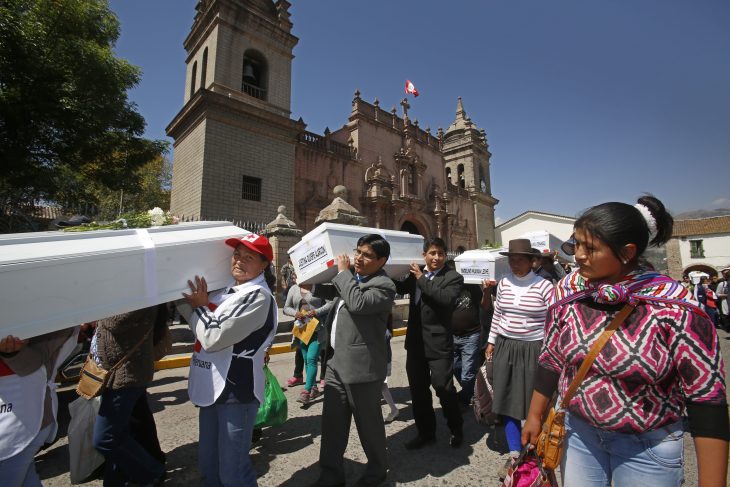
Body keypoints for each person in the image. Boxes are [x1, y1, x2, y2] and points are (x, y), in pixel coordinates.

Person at [522, 195, 729, 487]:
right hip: (579, 436)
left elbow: (706, 398)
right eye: (575, 244)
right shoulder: (568, 291)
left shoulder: (676, 306)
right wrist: (534, 416)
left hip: (648, 448)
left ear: (627, 252)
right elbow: (552, 357)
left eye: (590, 248)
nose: (578, 255)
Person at [181, 233, 278, 487]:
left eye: (248, 258)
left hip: (237, 392)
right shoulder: (223, 291)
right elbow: (191, 314)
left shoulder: (258, 296)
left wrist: (199, 307)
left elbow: (212, 336)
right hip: (211, 385)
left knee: (233, 472)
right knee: (209, 466)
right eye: (236, 255)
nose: (239, 261)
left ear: (264, 264)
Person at [313, 234, 396, 487]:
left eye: (367, 255)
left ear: (381, 260)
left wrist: (343, 272)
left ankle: (376, 473)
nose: (359, 258)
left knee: (369, 427)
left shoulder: (384, 285)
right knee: (332, 426)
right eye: (358, 251)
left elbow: (358, 303)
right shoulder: (353, 279)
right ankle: (330, 476)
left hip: (362, 369)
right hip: (336, 364)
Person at [485, 238, 553, 464]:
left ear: (532, 261)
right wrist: (492, 340)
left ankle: (535, 446)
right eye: (511, 259)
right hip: (505, 344)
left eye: (520, 260)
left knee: (533, 398)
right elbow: (497, 314)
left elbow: (553, 320)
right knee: (506, 396)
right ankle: (515, 451)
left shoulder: (544, 285)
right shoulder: (503, 283)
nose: (514, 264)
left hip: (534, 347)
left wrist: (550, 348)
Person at [395, 237, 465, 450]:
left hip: (438, 345)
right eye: (432, 253)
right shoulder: (415, 275)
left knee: (443, 388)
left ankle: (456, 428)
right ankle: (426, 432)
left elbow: (444, 299)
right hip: (415, 344)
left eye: (441, 253)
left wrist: (421, 278)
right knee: (418, 391)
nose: (436, 257)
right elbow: (397, 285)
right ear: (424, 254)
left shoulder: (453, 277)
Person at [92, 306, 166, 486]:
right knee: (122, 432)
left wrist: (93, 309)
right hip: (118, 373)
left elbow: (114, 322)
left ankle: (152, 471)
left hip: (127, 375)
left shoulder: (136, 291)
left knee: (105, 438)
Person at [0, 328, 77, 486]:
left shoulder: (48, 316)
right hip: (17, 417)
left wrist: (12, 352)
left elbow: (33, 362)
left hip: (23, 420)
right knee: (27, 478)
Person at [283, 279, 333, 405]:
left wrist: (316, 312)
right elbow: (286, 308)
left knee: (311, 359)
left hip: (317, 329)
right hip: (301, 330)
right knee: (306, 360)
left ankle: (306, 391)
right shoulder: (294, 289)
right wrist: (296, 313)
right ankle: (314, 389)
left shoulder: (319, 286)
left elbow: (330, 304)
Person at [451, 280, 483, 407]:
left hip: (471, 335)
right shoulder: (448, 285)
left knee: (467, 373)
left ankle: (465, 399)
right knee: (455, 367)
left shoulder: (472, 286)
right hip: (452, 335)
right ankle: (473, 392)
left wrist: (486, 290)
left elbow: (484, 304)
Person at [382, 314, 399, 423]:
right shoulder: (385, 328)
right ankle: (393, 410)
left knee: (381, 386)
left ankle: (393, 410)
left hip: (381, 362)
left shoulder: (384, 331)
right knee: (382, 387)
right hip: (381, 361)